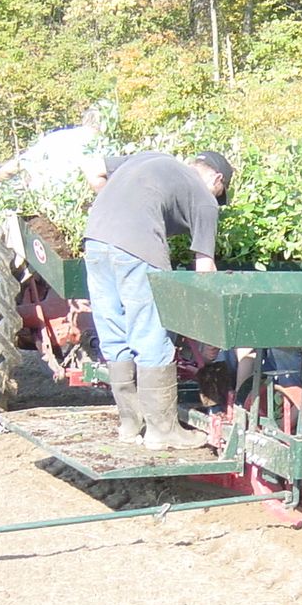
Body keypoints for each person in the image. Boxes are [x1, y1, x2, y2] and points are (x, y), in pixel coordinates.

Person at [83, 150, 234, 450]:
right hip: (138, 246)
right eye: (221, 193)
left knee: (115, 331)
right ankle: (163, 431)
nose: (216, 200)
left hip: (96, 240)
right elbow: (205, 270)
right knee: (151, 331)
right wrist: (210, 335)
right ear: (217, 180)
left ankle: (131, 424)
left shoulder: (151, 159)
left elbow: (93, 169)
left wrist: (124, 213)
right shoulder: (204, 198)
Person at [0, 106, 107, 193]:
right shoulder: (107, 146)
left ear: (85, 120)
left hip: (47, 207)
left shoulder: (57, 138)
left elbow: (16, 166)